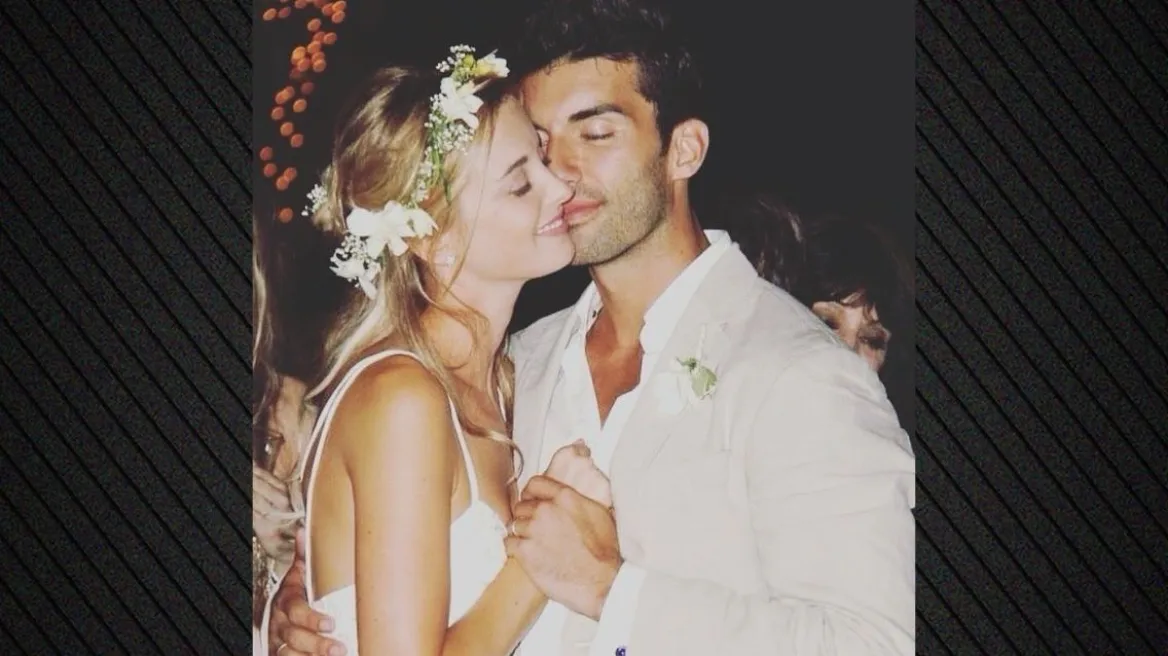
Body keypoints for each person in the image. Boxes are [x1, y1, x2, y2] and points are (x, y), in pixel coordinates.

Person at [270, 1, 916, 654]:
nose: (560, 172)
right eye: (540, 144)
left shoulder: (801, 374)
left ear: (684, 150)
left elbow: (877, 644)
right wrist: (300, 596)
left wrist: (613, 590)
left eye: (596, 133)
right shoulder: (516, 367)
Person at [260, 46, 621, 656]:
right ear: (436, 241)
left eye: (540, 158)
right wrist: (537, 563)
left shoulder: (504, 379)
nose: (559, 184)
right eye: (519, 184)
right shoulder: (402, 400)